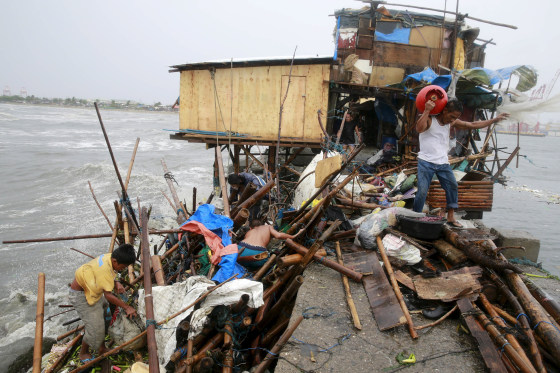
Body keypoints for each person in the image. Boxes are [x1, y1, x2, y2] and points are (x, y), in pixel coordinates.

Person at [413, 98, 509, 227]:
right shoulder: (430, 119)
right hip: (426, 162)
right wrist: (426, 110)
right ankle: (415, 217)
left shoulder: (451, 123)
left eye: (455, 118)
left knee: (452, 186)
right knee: (422, 192)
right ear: (445, 110)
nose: (452, 120)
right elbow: (419, 129)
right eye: (451, 116)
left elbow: (473, 125)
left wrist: (494, 120)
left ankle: (451, 217)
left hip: (443, 162)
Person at [68, 244, 137, 362]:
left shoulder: (109, 257)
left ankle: (101, 347)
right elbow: (108, 295)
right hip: (82, 296)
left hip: (93, 290)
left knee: (106, 316)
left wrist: (115, 282)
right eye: (123, 267)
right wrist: (127, 307)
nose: (123, 269)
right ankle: (83, 353)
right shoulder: (105, 269)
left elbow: (107, 276)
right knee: (95, 328)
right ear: (115, 261)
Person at [237, 219, 304, 268]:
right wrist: (293, 236)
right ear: (261, 225)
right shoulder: (268, 227)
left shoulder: (249, 231)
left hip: (240, 250)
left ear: (250, 227)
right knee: (269, 263)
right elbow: (279, 235)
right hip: (258, 254)